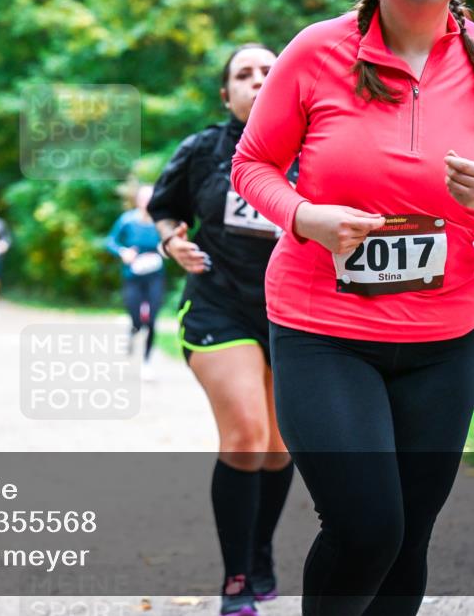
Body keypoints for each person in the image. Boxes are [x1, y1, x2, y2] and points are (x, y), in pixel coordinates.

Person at [231, 0, 474, 613]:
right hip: (324, 331)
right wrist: (305, 216)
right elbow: (252, 164)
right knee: (368, 528)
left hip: (443, 340)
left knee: (408, 541)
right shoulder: (317, 51)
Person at [148, 43, 296, 616]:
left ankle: (259, 552)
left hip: (292, 311)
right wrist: (172, 241)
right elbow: (164, 208)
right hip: (218, 304)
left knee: (280, 447)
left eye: (269, 71)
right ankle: (236, 580)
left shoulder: (316, 147)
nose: (258, 80)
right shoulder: (203, 150)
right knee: (247, 436)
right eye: (244, 74)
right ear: (225, 93)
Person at [106, 185, 165, 382]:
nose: (147, 202)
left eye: (151, 198)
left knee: (152, 319)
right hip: (133, 276)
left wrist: (166, 248)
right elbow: (110, 241)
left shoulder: (161, 222)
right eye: (144, 198)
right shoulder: (127, 220)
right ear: (138, 200)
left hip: (155, 275)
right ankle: (133, 330)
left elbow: (171, 242)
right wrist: (123, 252)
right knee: (136, 318)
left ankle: (146, 363)